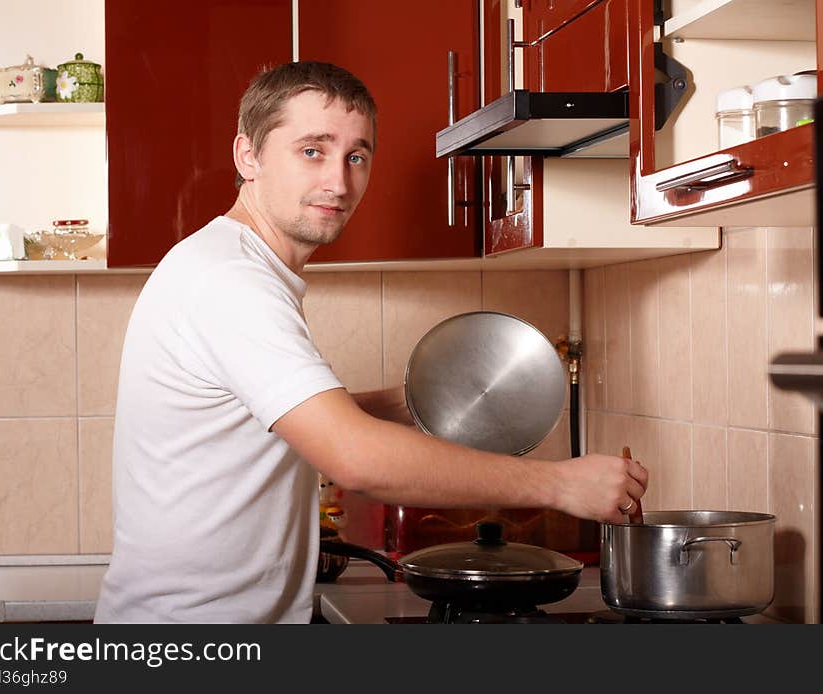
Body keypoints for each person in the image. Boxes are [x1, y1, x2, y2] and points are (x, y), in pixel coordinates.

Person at [94, 61, 648, 624]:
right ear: (248, 156)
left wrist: (418, 400)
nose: (339, 181)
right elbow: (353, 458)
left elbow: (272, 421)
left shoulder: (231, 265)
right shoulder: (230, 281)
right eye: (313, 150)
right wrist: (559, 485)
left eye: (356, 156)